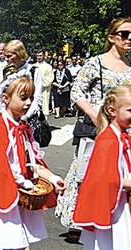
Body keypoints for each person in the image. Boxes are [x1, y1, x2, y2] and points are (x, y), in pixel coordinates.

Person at [55, 17, 131, 243]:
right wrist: (95, 116)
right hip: (98, 129)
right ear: (111, 37)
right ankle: (81, 220)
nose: (129, 39)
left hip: (124, 129)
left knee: (120, 175)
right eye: (124, 34)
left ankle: (117, 219)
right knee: (87, 174)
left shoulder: (130, 66)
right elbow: (76, 93)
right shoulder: (95, 63)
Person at [0, 75, 66, 250]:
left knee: (17, 245)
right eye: (23, 98)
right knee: (17, 246)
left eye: (30, 97)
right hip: (4, 197)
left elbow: (33, 161)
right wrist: (25, 183)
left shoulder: (23, 127)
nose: (28, 103)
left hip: (20, 195)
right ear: (5, 98)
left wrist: (52, 178)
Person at [73, 85, 131, 249]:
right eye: (130, 111)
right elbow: (105, 178)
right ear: (112, 111)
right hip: (112, 207)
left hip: (120, 202)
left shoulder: (122, 137)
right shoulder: (108, 140)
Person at [0, 40, 44, 122]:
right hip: (9, 117)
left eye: (9, 56)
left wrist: (26, 116)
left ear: (19, 54)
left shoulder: (33, 71)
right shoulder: (4, 71)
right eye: (5, 56)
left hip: (28, 118)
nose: (6, 59)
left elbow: (37, 97)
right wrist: (5, 114)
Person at [35, 50, 54, 116]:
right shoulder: (33, 66)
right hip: (34, 91)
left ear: (44, 56)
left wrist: (39, 80)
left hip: (44, 91)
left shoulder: (48, 67)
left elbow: (49, 80)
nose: (39, 57)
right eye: (38, 56)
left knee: (43, 109)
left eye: (40, 56)